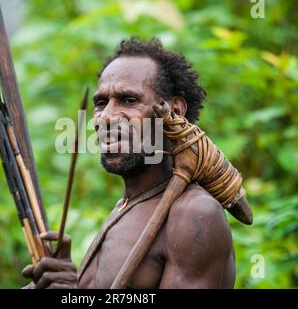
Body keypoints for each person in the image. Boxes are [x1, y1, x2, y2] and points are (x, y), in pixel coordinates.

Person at [21, 38, 235, 289]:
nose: (106, 118)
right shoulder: (125, 208)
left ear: (174, 111)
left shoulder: (193, 214)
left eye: (128, 100)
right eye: (101, 103)